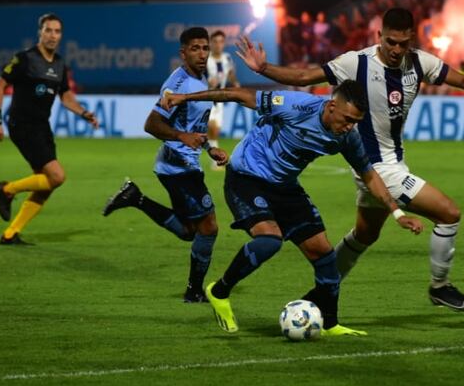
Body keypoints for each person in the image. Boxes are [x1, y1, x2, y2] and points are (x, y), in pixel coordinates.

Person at [236, 7, 464, 311]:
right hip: (376, 168)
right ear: (379, 36)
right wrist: (264, 69)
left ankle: (320, 294)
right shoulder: (355, 62)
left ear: (412, 39)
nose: (397, 50)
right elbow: (304, 76)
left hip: (393, 162)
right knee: (449, 213)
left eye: (403, 43)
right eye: (390, 42)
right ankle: (440, 287)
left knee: (365, 234)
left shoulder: (419, 63)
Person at [159, 80, 423, 335]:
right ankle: (219, 291)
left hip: (285, 187)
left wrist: (396, 213)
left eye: (355, 122)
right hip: (246, 177)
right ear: (331, 106)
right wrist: (183, 98)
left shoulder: (347, 138)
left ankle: (330, 324)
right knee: (270, 240)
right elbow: (238, 95)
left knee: (324, 254)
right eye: (346, 119)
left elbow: (369, 175)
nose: (349, 126)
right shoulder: (295, 105)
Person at [102, 27, 228, 303]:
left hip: (182, 164)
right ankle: (194, 291)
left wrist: (209, 148)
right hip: (177, 167)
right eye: (195, 48)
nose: (201, 53)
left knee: (189, 231)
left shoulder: (201, 78)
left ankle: (135, 198)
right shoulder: (178, 85)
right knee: (209, 228)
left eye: (205, 48)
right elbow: (152, 124)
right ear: (182, 53)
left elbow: (193, 125)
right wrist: (181, 137)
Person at [0, 13, 99, 245]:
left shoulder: (60, 64)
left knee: (46, 184)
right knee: (57, 176)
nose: (53, 36)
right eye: (48, 30)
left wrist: (83, 112)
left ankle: (11, 234)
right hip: (22, 125)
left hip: (42, 127)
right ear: (40, 32)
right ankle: (7, 189)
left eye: (57, 31)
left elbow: (66, 96)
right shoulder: (24, 59)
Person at [205, 30, 239, 170]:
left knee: (215, 131)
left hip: (219, 100)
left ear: (224, 43)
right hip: (206, 99)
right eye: (215, 42)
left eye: (221, 42)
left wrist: (235, 82)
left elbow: (231, 74)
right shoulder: (206, 59)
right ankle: (215, 160)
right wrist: (208, 83)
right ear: (211, 43)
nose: (218, 45)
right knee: (211, 127)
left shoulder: (227, 58)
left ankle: (214, 157)